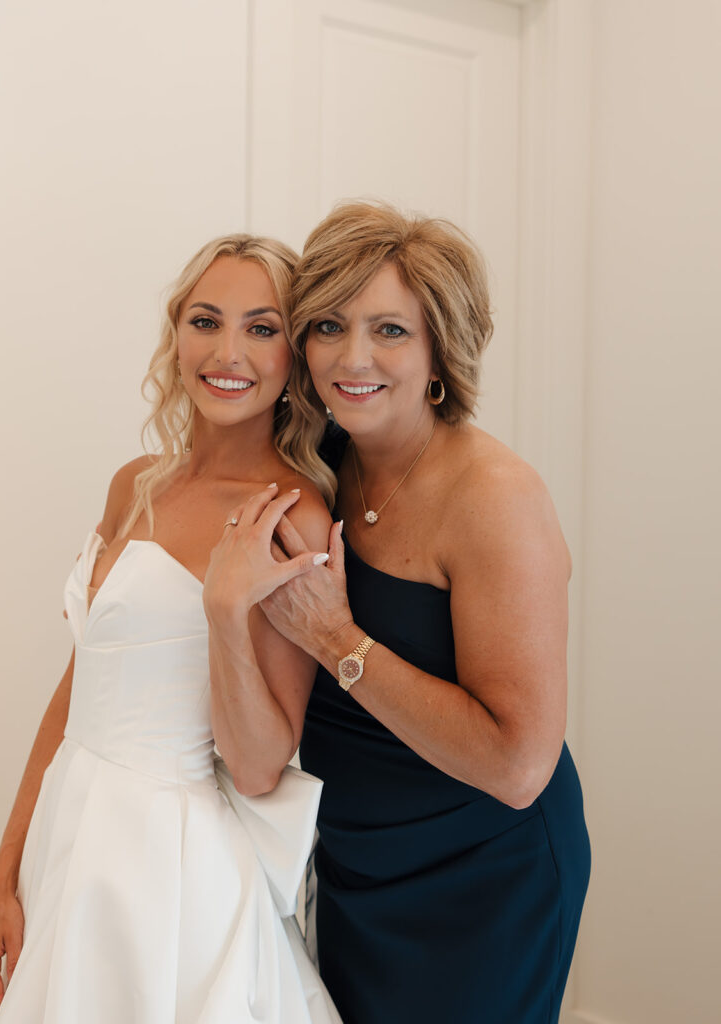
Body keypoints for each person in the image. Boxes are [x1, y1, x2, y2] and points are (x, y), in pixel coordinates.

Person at [0, 234, 343, 1023]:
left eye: (262, 327)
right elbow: (78, 690)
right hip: (71, 834)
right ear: (175, 333)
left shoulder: (290, 515)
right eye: (206, 320)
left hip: (171, 870)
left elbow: (256, 768)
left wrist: (223, 613)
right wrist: (5, 866)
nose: (227, 351)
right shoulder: (134, 485)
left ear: (292, 357)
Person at [244, 202, 590, 1023]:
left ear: (439, 348)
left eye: (389, 331)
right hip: (360, 860)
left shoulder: (495, 498)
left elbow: (517, 768)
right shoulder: (320, 461)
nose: (351, 357)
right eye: (327, 325)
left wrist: (335, 637)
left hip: (484, 873)